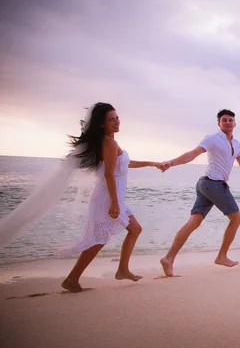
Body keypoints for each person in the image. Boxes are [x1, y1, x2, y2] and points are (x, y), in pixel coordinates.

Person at [58, 102, 163, 292]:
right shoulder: (109, 142)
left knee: (133, 230)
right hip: (107, 197)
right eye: (111, 119)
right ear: (101, 124)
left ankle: (122, 270)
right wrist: (114, 202)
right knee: (98, 239)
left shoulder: (110, 142)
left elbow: (124, 164)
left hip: (112, 196)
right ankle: (72, 278)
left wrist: (150, 162)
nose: (116, 121)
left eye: (117, 117)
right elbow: (109, 174)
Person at [159, 109, 240, 277]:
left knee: (193, 223)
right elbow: (193, 154)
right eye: (224, 120)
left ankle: (168, 259)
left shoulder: (237, 144)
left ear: (235, 123)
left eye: (230, 120)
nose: (227, 122)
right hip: (212, 184)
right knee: (237, 218)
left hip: (206, 185)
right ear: (219, 123)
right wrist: (171, 162)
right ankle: (222, 256)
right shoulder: (212, 138)